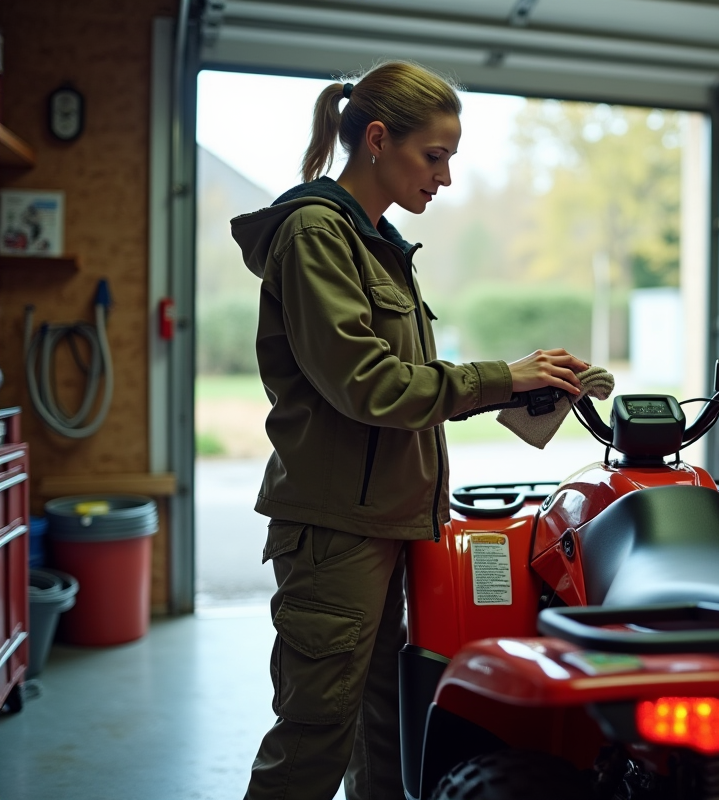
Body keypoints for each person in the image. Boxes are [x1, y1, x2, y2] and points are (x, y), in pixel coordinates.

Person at [231, 61, 588, 800]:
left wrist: (526, 388)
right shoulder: (315, 236)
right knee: (312, 740)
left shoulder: (376, 244)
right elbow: (372, 385)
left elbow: (407, 390)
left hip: (388, 524)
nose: (446, 178)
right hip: (336, 534)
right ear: (377, 139)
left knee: (386, 732)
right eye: (435, 156)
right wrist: (501, 376)